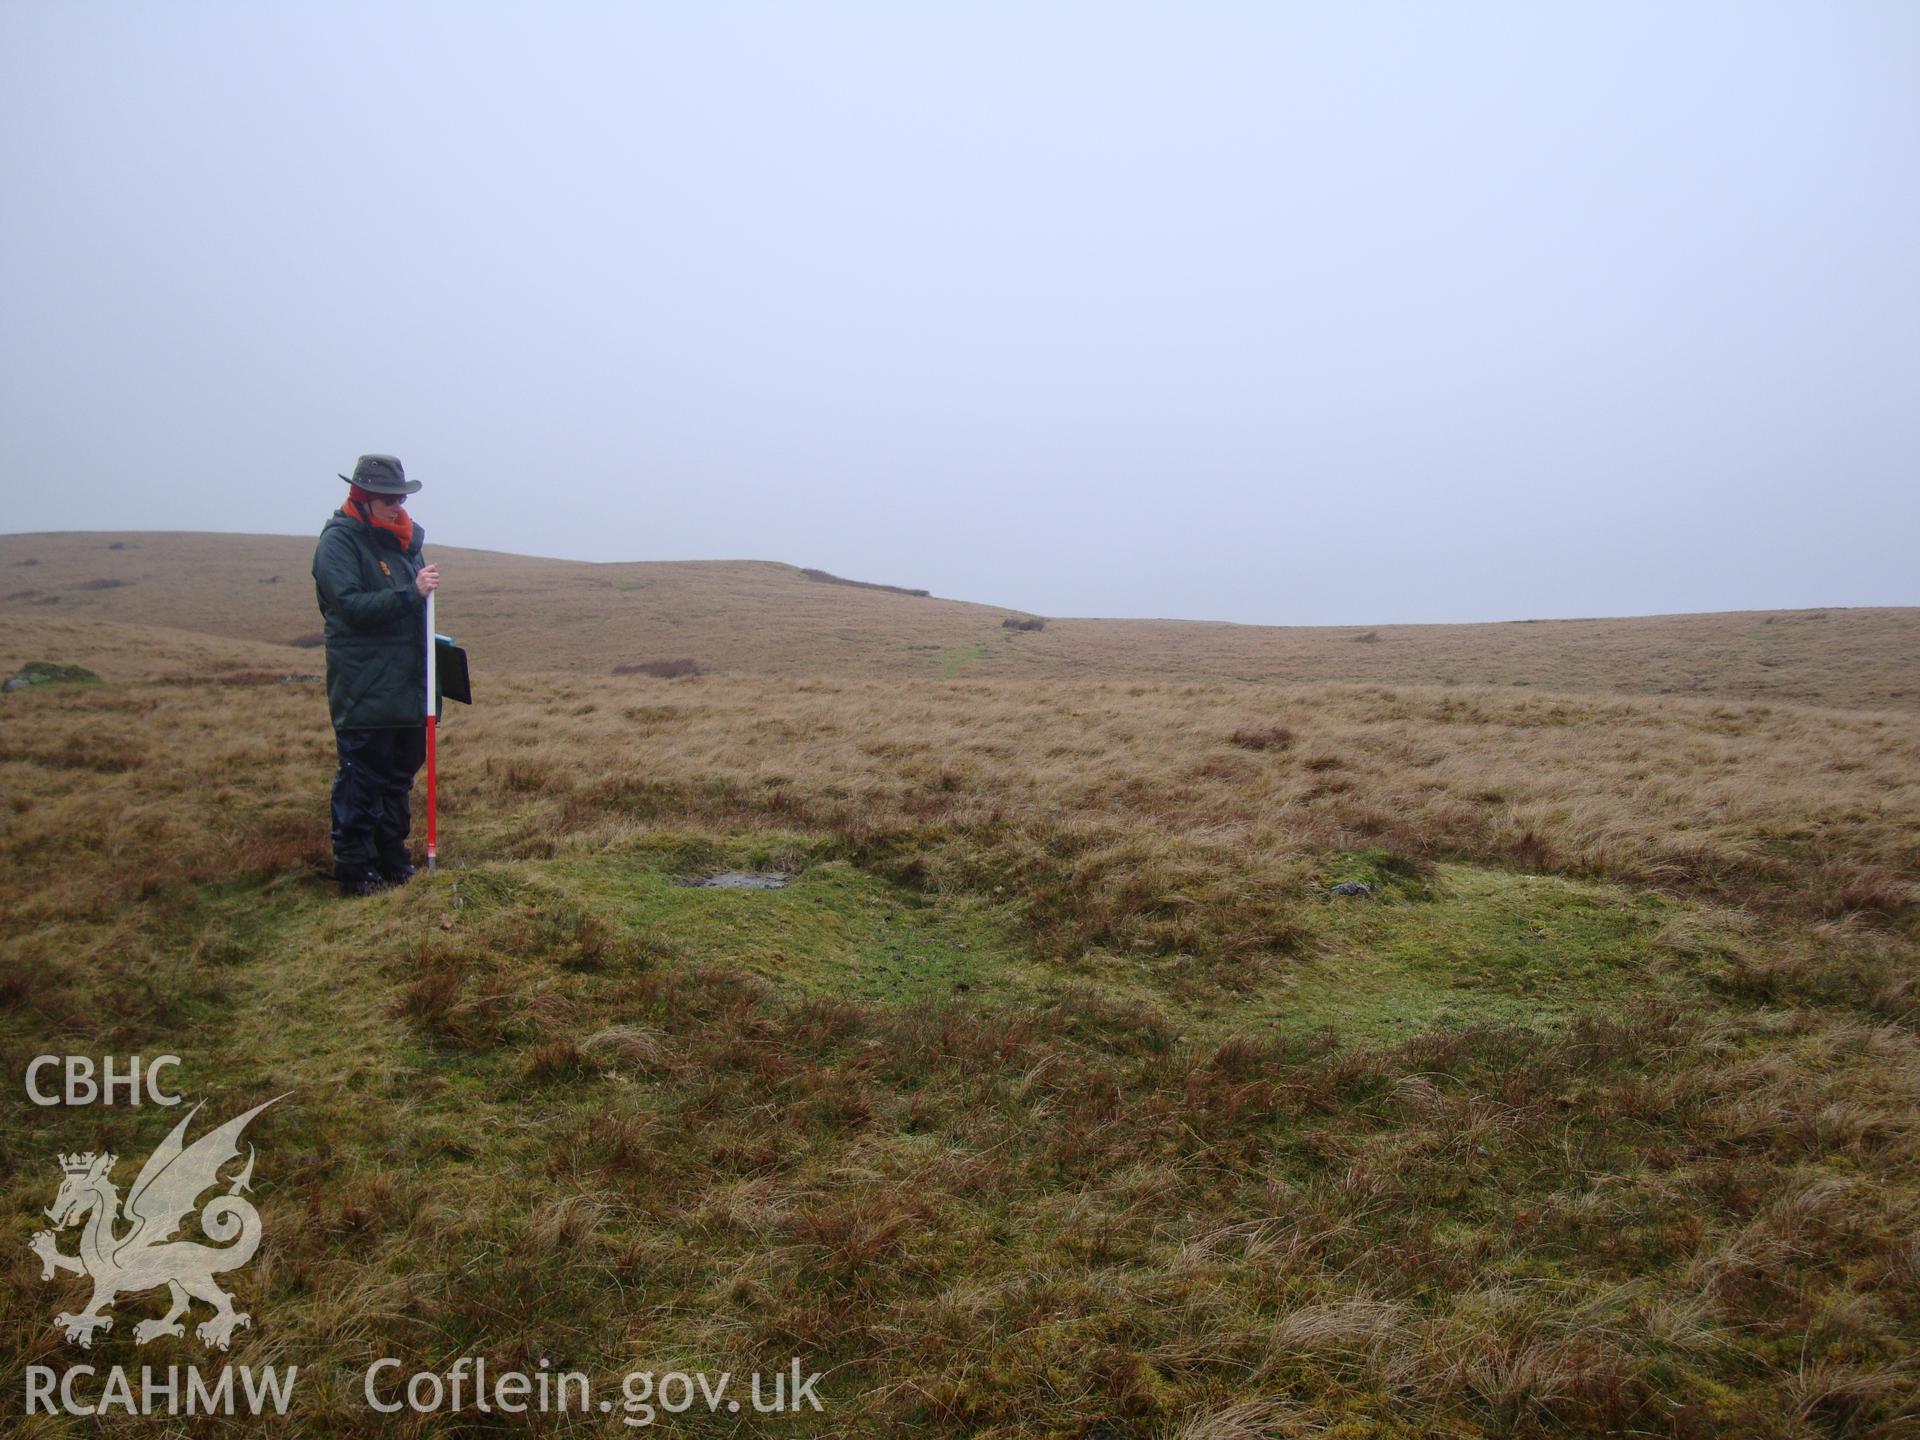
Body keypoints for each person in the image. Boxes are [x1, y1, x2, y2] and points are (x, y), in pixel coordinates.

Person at [312, 454, 441, 897]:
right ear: (362, 497)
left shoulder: (405, 543)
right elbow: (350, 606)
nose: (397, 504)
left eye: (400, 496)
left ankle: (392, 860)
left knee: (397, 778)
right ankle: (355, 871)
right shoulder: (339, 543)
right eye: (387, 497)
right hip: (365, 687)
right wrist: (411, 594)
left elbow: (413, 608)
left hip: (407, 687)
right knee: (362, 778)